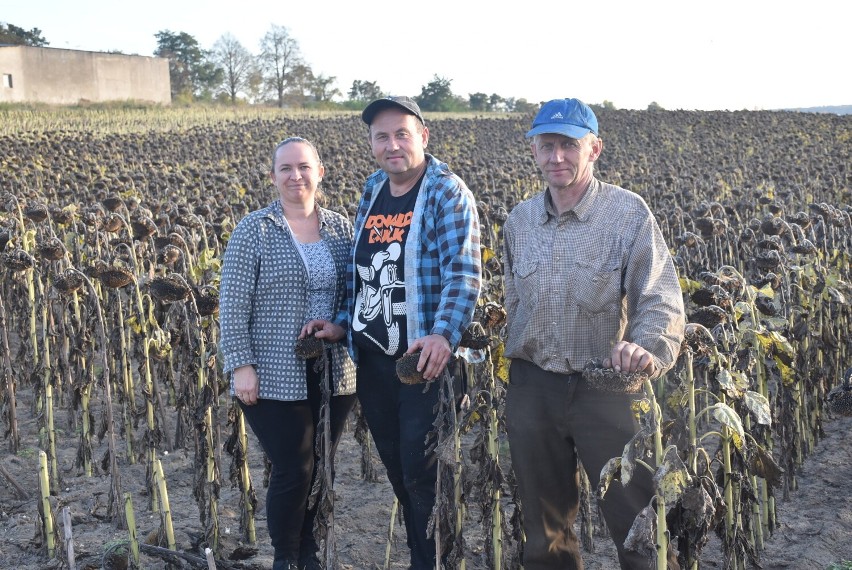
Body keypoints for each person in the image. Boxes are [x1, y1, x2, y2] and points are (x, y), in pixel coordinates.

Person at [502, 98, 685, 570]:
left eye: (568, 145)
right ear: (535, 151)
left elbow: (660, 297)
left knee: (635, 524)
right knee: (544, 535)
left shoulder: (627, 214)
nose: (557, 157)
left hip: (605, 389)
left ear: (594, 148)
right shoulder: (519, 221)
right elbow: (512, 300)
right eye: (547, 146)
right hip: (532, 387)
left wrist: (643, 347)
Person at [310, 96, 481, 569]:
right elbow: (361, 270)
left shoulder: (447, 192)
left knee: (426, 475)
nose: (392, 145)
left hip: (424, 364)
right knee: (400, 475)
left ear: (423, 136)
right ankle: (424, 557)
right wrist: (343, 321)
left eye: (402, 134)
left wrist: (443, 335)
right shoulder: (373, 189)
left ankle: (437, 561)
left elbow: (463, 274)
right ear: (371, 144)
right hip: (373, 362)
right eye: (381, 137)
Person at [219, 137, 357, 570]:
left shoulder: (341, 228)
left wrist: (339, 326)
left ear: (320, 172)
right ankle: (286, 557)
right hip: (275, 369)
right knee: (293, 466)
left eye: (303, 166)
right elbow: (233, 303)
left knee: (321, 465)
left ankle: (310, 552)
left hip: (335, 371)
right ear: (273, 176)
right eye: (285, 168)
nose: (295, 176)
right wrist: (242, 366)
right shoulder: (255, 229)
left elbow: (357, 293)